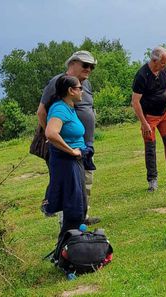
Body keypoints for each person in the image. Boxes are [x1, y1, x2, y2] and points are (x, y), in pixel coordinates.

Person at [37, 50, 100, 225]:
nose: (89, 69)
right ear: (72, 64)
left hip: (83, 145)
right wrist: (51, 137)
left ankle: (82, 217)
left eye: (92, 67)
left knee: (85, 181)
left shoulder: (85, 84)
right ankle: (67, 223)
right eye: (85, 65)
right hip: (68, 147)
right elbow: (41, 112)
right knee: (69, 186)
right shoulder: (58, 83)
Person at [131, 47, 166, 191]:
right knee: (150, 148)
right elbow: (135, 102)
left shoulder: (164, 71)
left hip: (164, 114)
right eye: (163, 62)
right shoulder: (142, 75)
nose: (165, 65)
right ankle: (152, 180)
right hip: (149, 117)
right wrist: (144, 123)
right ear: (154, 60)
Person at [43, 75, 89, 240]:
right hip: (66, 162)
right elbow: (50, 133)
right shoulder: (60, 109)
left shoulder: (69, 107)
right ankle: (68, 248)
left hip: (74, 161)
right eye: (79, 88)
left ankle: (76, 243)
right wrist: (71, 151)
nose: (81, 91)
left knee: (80, 204)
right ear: (70, 91)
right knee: (73, 207)